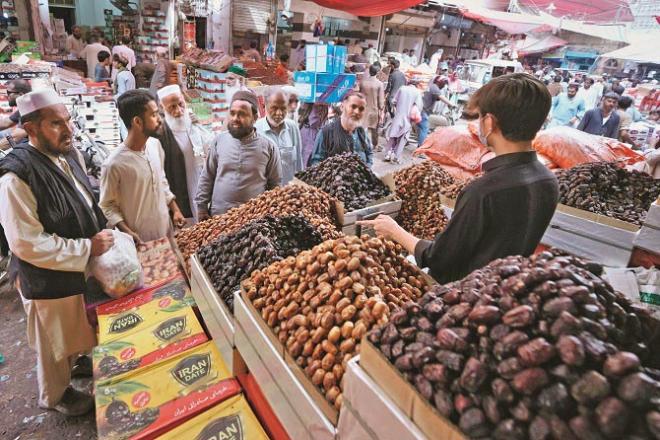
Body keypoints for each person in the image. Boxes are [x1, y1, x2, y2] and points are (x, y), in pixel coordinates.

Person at [358, 73, 558, 284]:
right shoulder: (548, 181)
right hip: (500, 291)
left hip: (464, 294)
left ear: (489, 123)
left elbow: (439, 259)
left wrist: (394, 231)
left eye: (480, 116)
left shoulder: (483, 191)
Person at [0, 88, 114, 415]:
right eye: (55, 123)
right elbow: (26, 243)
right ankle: (55, 397)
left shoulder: (66, 155)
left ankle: (78, 364)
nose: (68, 130)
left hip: (77, 268)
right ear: (31, 129)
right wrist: (86, 247)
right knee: (53, 346)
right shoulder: (15, 179)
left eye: (67, 120)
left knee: (76, 328)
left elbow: (85, 200)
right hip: (45, 279)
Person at [100, 89, 186, 243]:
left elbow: (162, 182)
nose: (160, 119)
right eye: (153, 115)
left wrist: (175, 210)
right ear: (137, 122)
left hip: (165, 232)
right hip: (139, 241)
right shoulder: (114, 164)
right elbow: (107, 206)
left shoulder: (155, 145)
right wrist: (127, 232)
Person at [195, 91, 282, 219]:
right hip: (218, 217)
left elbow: (275, 185)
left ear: (254, 118)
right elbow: (207, 176)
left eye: (242, 114)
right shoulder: (219, 141)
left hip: (253, 220)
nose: (235, 118)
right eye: (232, 113)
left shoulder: (269, 147)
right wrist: (201, 208)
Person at [156, 85, 214, 223]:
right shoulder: (161, 134)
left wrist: (197, 124)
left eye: (181, 104)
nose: (179, 111)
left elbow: (210, 146)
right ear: (163, 108)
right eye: (172, 107)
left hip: (199, 182)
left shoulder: (192, 124)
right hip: (178, 189)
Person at [309, 92, 373, 167]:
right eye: (353, 106)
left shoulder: (362, 132)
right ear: (342, 107)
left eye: (361, 109)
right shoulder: (326, 132)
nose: (357, 112)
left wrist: (366, 170)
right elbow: (316, 162)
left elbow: (369, 154)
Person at [255, 88, 303, 184]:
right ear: (265, 106)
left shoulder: (293, 127)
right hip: (265, 195)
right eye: (274, 108)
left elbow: (298, 162)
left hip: (289, 193)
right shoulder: (255, 130)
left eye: (283, 108)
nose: (279, 113)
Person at [384, 79, 422, 163]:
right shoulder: (417, 92)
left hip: (398, 116)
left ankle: (388, 154)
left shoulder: (402, 88)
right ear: (417, 84)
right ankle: (396, 157)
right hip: (408, 119)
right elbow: (418, 106)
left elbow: (394, 101)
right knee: (402, 138)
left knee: (393, 136)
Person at [418, 76, 454, 146]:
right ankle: (420, 149)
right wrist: (451, 104)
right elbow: (441, 97)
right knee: (425, 128)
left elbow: (439, 98)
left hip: (424, 110)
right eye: (443, 84)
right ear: (439, 82)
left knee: (425, 127)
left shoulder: (433, 87)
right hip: (423, 110)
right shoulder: (434, 87)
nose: (444, 86)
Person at [359, 65, 385, 152]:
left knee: (363, 127)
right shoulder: (379, 84)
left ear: (369, 71)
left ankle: (362, 144)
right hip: (374, 109)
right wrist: (381, 109)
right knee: (374, 129)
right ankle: (375, 145)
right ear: (377, 73)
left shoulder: (363, 82)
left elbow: (360, 95)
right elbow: (381, 101)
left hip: (363, 108)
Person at [0, 79, 31, 149]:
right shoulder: (24, 107)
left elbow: (15, 137)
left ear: (20, 94)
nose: (6, 95)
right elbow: (5, 123)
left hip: (41, 153)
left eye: (9, 92)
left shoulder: (30, 109)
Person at [299, 102, 328, 168]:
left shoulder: (325, 101)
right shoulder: (309, 99)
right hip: (308, 131)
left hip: (317, 132)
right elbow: (313, 121)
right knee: (305, 159)